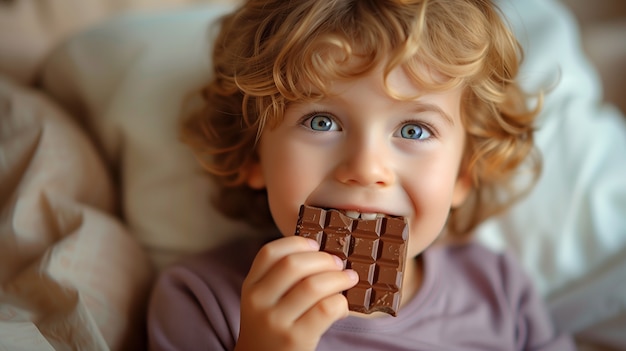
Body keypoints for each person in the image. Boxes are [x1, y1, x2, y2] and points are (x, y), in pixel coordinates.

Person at [147, 0, 576, 350]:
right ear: (253, 155)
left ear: (463, 174)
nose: (366, 169)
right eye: (320, 122)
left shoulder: (499, 291)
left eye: (413, 130)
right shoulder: (203, 300)